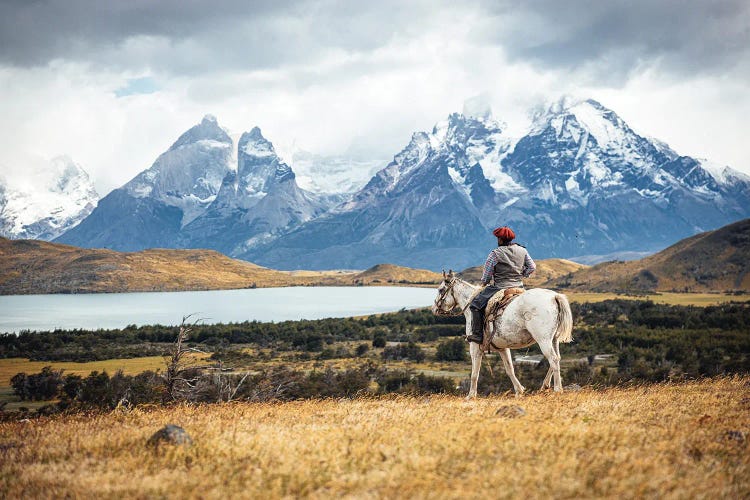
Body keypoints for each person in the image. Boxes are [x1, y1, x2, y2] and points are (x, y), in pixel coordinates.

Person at [466, 226, 536, 343]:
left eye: (498, 238)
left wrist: (484, 282)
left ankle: (477, 335)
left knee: (475, 305)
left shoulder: (495, 254)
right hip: (519, 286)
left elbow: (487, 274)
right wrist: (523, 274)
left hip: (500, 287)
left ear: (500, 239)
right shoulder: (523, 250)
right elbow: (532, 266)